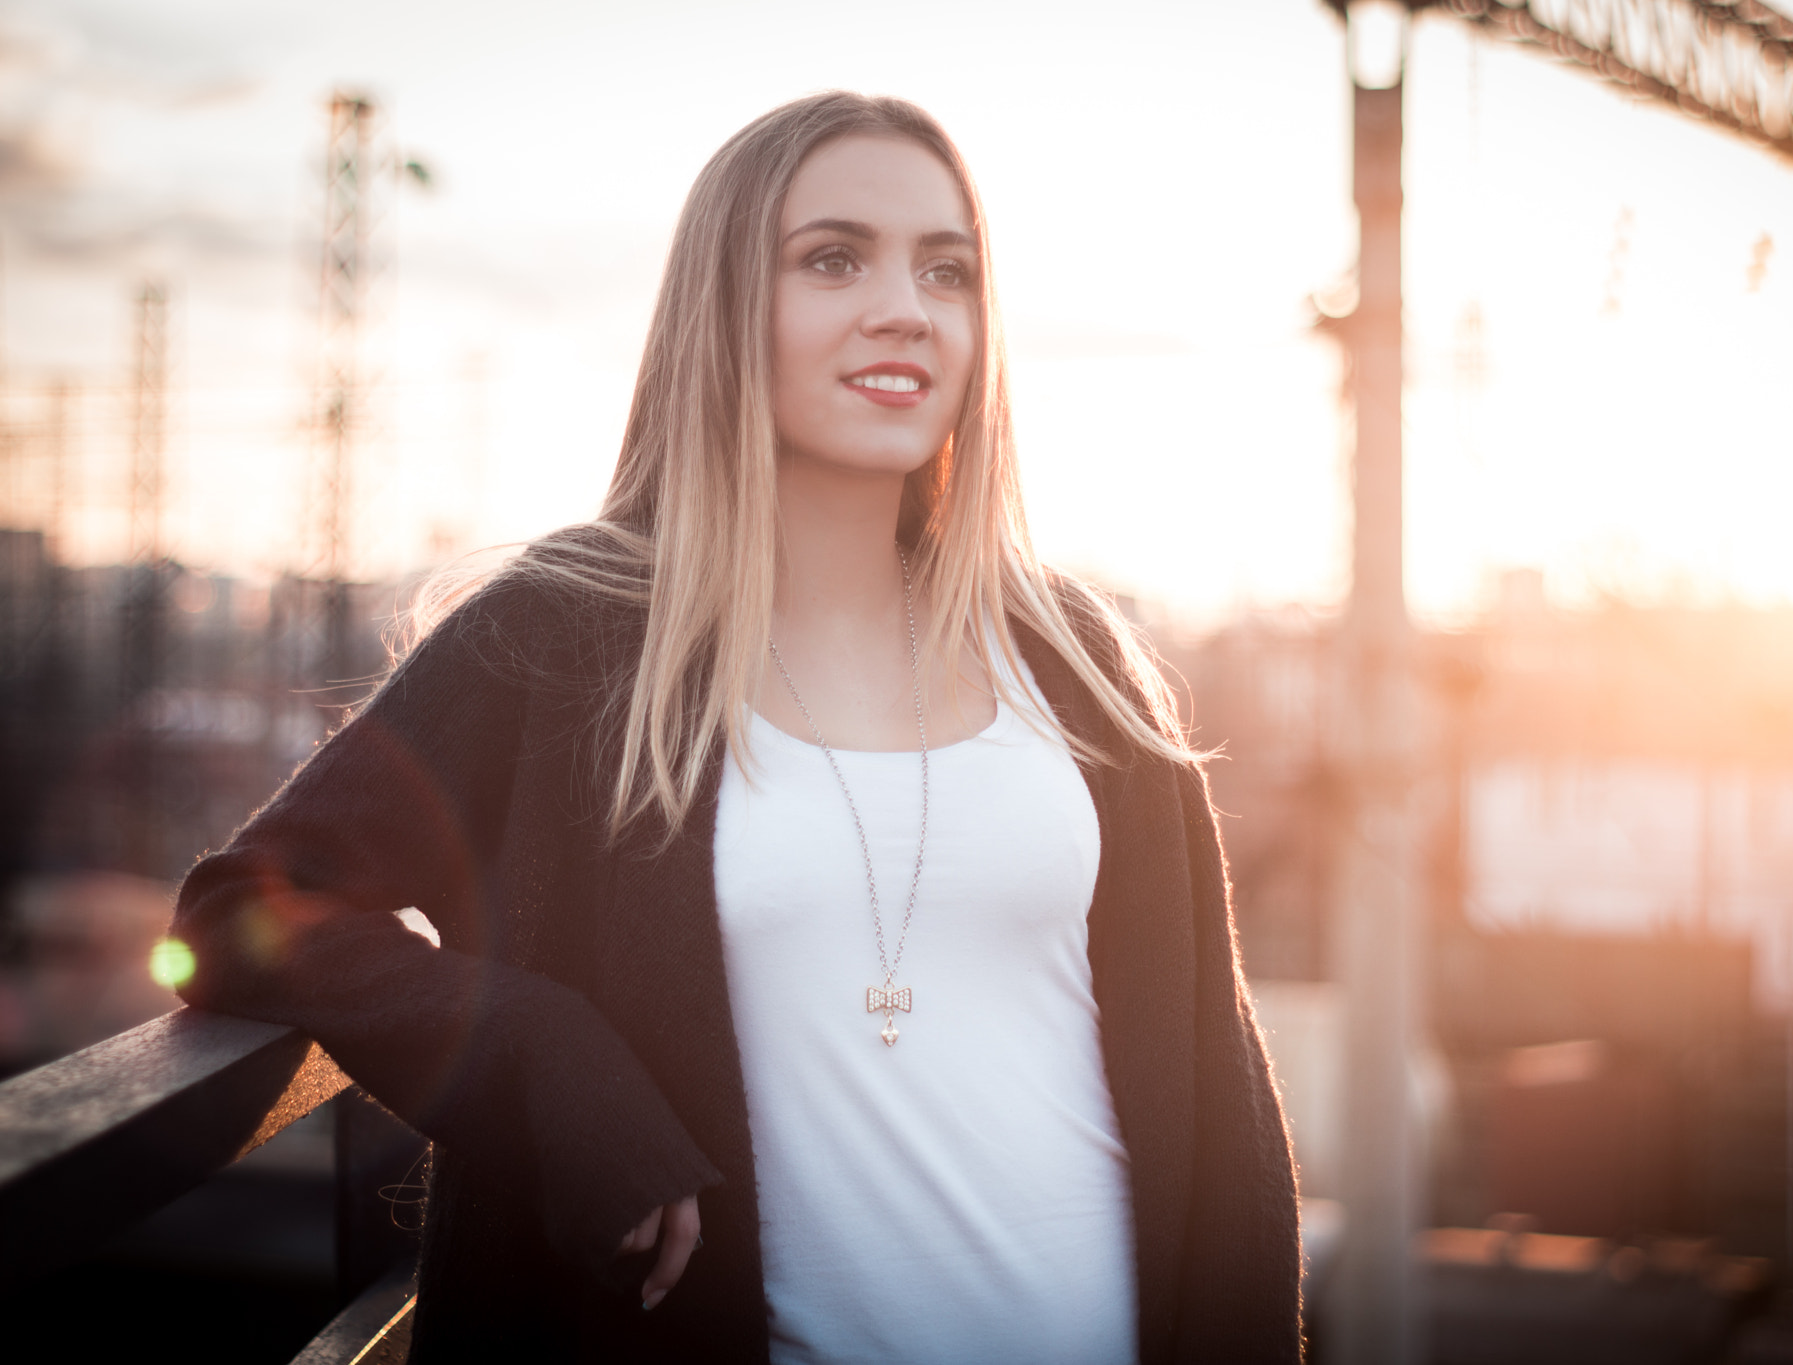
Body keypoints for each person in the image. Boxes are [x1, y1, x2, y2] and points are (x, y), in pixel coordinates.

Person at [172, 91, 1300, 1364]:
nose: (903, 307)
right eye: (833, 259)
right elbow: (241, 915)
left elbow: (1223, 1103)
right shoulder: (562, 638)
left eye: (947, 269)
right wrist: (544, 1063)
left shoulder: (1075, 653)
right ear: (722, 307)